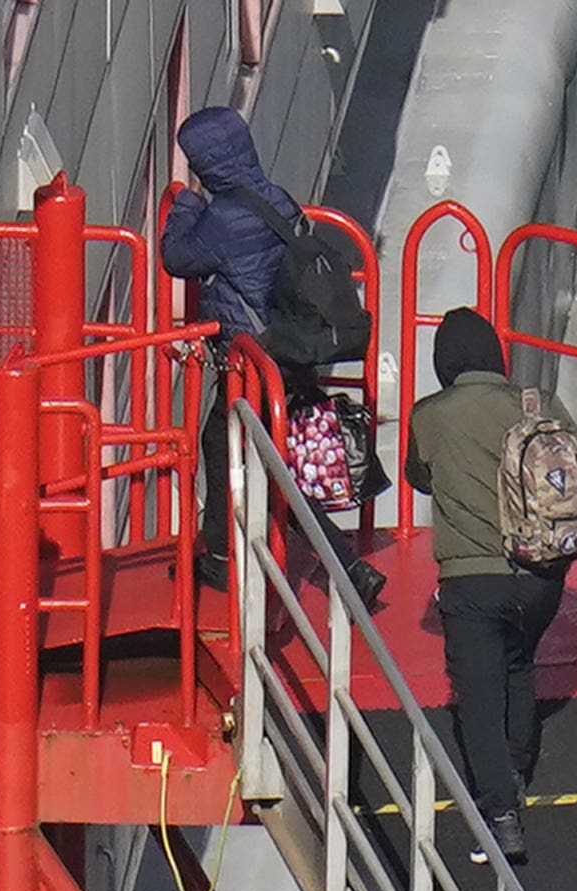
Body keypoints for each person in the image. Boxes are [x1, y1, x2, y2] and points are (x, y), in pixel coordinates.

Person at [157, 107, 384, 610]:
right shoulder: (274, 196)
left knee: (233, 449)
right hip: (294, 342)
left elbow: (177, 257)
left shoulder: (221, 215)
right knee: (265, 452)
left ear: (208, 163)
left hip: (256, 359)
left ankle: (340, 567)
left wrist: (186, 205)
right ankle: (224, 554)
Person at [406, 308, 567, 863]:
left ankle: (501, 813)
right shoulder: (536, 404)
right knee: (520, 665)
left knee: (476, 697)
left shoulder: (431, 415)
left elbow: (416, 476)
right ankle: (518, 772)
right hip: (541, 574)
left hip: (472, 577)